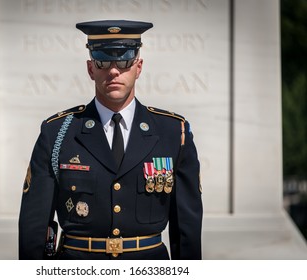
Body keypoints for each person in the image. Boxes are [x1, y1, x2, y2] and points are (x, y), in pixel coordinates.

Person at [19, 20, 203, 260]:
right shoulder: (57, 133)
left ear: (139, 67)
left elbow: (186, 231)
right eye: (103, 61)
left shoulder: (172, 133)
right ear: (90, 69)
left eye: (125, 61)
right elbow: (34, 226)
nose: (114, 71)